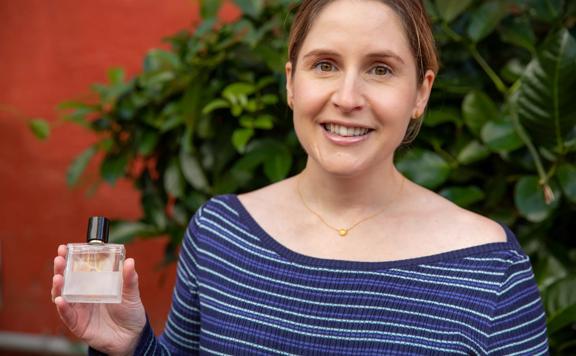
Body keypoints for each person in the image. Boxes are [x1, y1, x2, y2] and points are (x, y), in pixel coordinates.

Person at [51, 0, 549, 354]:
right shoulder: (221, 232)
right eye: (325, 64)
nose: (348, 96)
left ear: (421, 92)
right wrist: (126, 348)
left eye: (380, 69)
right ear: (291, 81)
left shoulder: (489, 270)